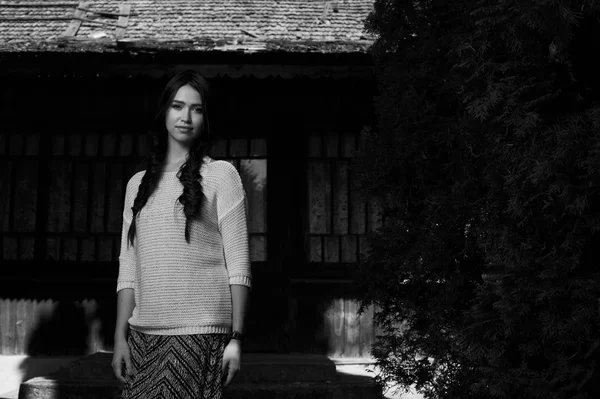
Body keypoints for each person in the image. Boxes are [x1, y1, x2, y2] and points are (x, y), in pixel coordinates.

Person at [111, 70, 252, 399]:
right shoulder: (137, 184)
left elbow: (239, 264)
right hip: (142, 334)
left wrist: (236, 339)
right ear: (164, 113)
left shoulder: (221, 175)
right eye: (178, 106)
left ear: (205, 118)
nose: (186, 117)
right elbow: (128, 268)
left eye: (197, 109)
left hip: (199, 332)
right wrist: (120, 337)